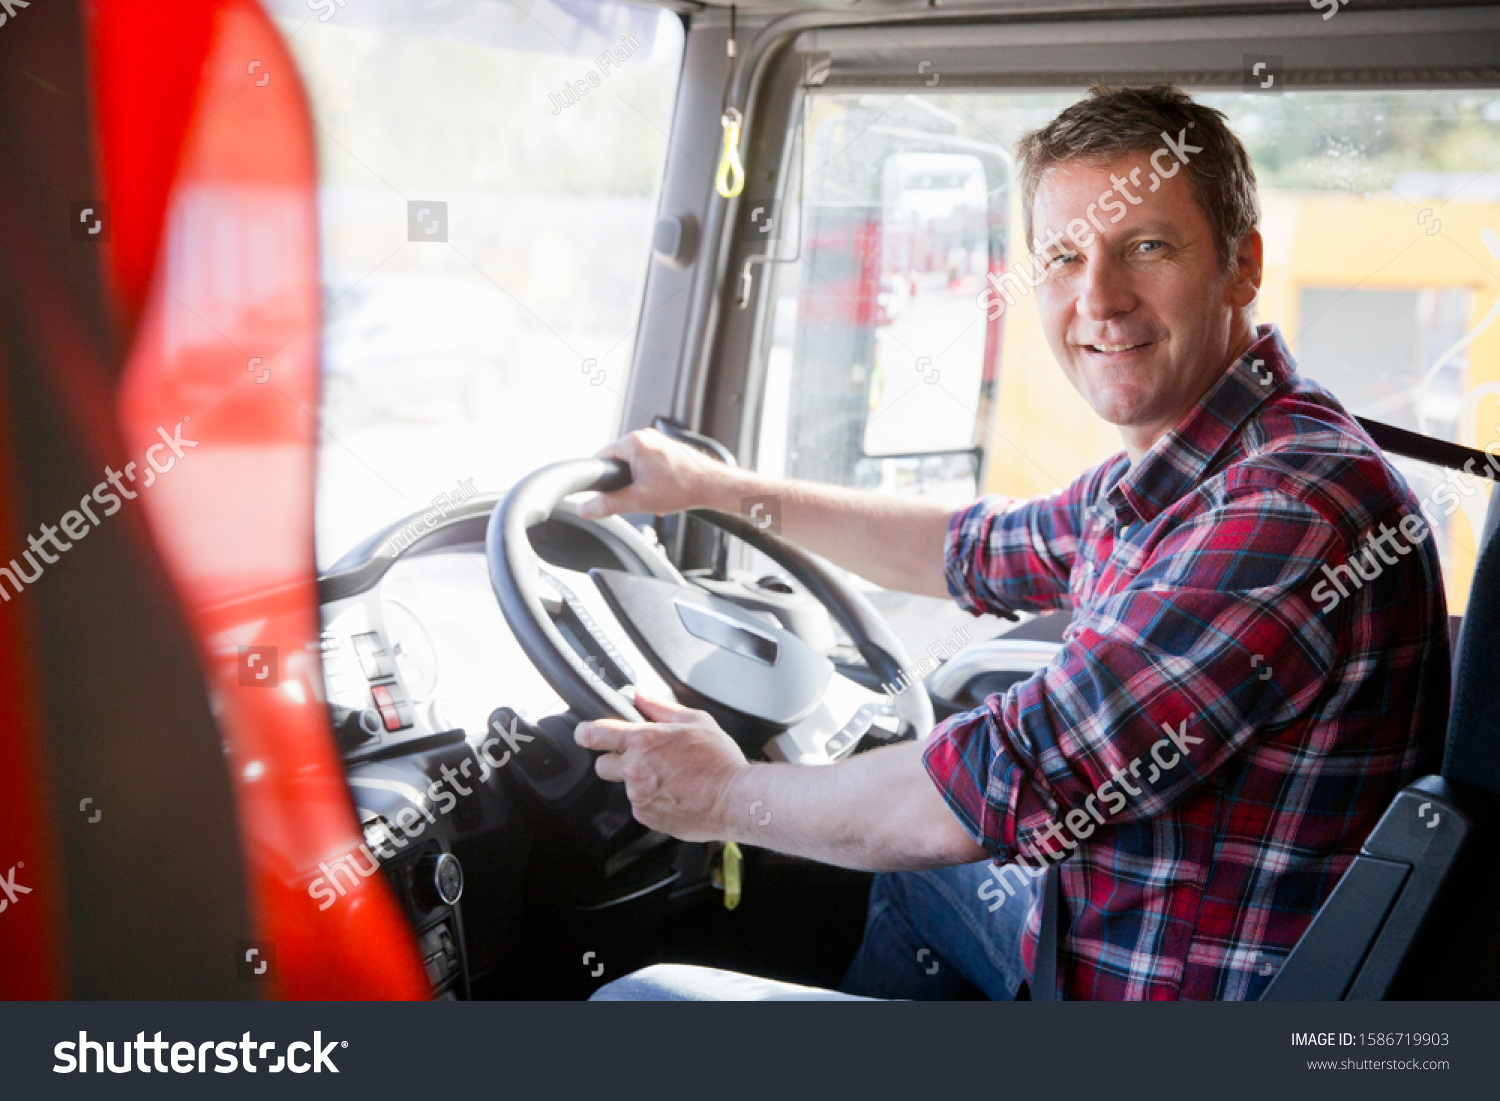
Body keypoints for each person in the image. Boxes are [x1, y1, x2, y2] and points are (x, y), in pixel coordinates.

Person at [576, 86, 1450, 1001]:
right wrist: (714, 489)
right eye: (1065, 257)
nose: (1099, 298)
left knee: (634, 1002)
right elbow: (972, 550)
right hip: (1112, 935)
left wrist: (721, 797)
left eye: (1146, 247)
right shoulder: (1198, 466)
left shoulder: (1283, 510)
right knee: (918, 886)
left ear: (1241, 266)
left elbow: (969, 797)